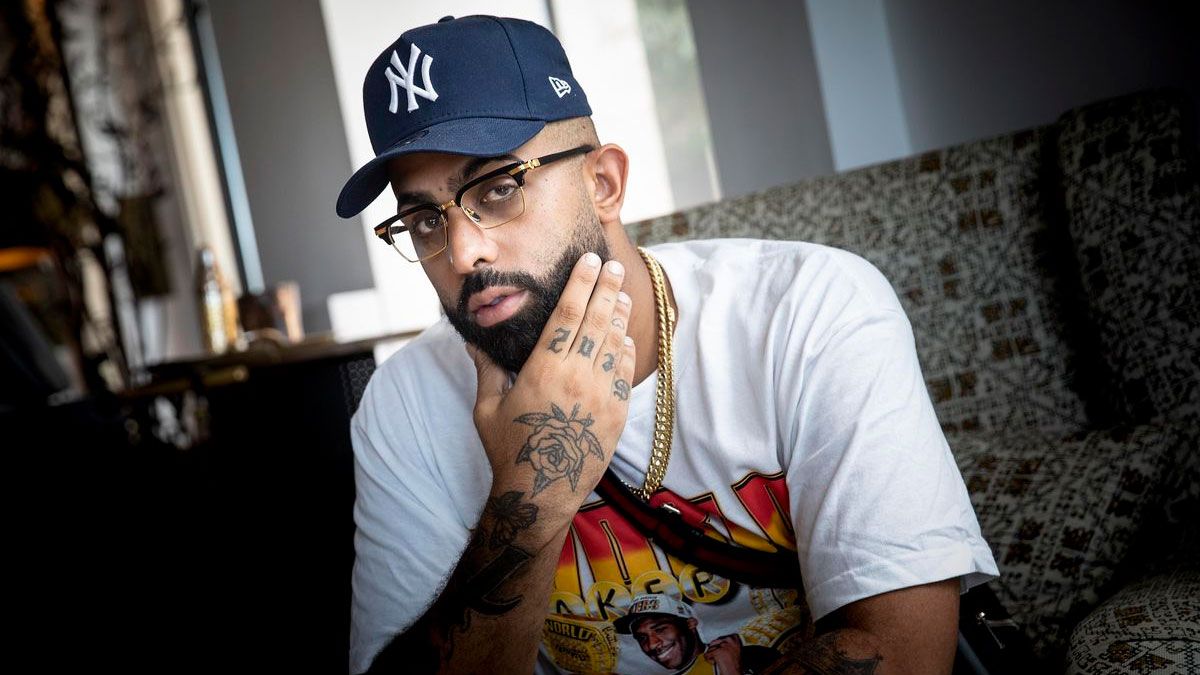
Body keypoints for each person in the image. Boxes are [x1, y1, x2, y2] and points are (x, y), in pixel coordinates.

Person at [336, 14, 999, 675]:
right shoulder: (406, 402)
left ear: (603, 184)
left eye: (500, 188)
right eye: (424, 220)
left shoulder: (808, 310)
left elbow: (904, 653)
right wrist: (530, 492)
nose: (462, 252)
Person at [613, 594, 779, 674]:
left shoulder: (753, 656)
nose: (652, 644)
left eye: (660, 629)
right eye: (642, 638)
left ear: (690, 623)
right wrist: (731, 671)